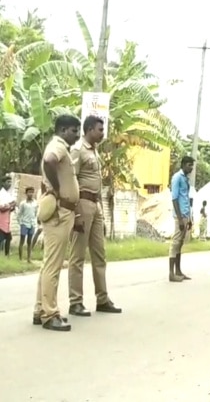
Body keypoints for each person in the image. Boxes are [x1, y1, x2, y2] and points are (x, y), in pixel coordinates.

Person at [67, 115, 122, 318]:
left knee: (100, 255)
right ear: (89, 129)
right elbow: (72, 180)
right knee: (78, 256)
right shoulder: (78, 150)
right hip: (82, 202)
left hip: (95, 204)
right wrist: (77, 212)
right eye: (100, 129)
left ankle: (102, 298)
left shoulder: (94, 151)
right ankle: (75, 301)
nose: (102, 133)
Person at [33, 114, 81, 332]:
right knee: (53, 265)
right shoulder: (58, 145)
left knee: (48, 264)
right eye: (74, 130)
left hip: (63, 211)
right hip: (60, 212)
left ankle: (39, 309)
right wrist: (58, 190)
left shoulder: (62, 147)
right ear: (63, 130)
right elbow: (49, 161)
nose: (77, 135)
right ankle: (50, 314)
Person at [169, 156, 194, 282]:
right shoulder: (177, 178)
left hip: (185, 215)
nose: (191, 168)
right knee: (175, 243)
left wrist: (189, 218)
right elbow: (174, 199)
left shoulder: (185, 179)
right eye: (190, 165)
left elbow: (186, 199)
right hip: (180, 216)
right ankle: (171, 273)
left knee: (180, 244)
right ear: (184, 165)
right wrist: (179, 219)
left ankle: (178, 271)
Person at [17, 186, 38, 262]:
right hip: (24, 224)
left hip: (32, 224)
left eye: (32, 192)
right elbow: (19, 214)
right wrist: (20, 223)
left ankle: (29, 259)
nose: (31, 194)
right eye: (29, 192)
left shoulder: (35, 203)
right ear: (26, 193)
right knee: (22, 241)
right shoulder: (23, 203)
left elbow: (36, 213)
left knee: (29, 242)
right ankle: (20, 259)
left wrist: (35, 222)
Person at [0, 175, 15, 256]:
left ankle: (6, 255)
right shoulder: (1, 194)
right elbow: (1, 208)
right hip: (1, 222)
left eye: (10, 182)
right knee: (1, 240)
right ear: (3, 183)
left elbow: (11, 207)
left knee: (8, 238)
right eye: (7, 182)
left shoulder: (8, 194)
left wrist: (12, 206)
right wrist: (10, 205)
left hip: (7, 222)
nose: (9, 184)